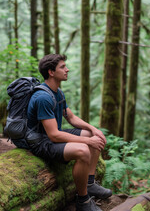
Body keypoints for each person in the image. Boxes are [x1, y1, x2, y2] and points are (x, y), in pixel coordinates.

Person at [26, 54, 112, 211]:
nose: (67, 69)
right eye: (62, 67)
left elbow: (70, 117)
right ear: (51, 72)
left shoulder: (57, 92)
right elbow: (54, 135)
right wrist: (88, 142)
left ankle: (90, 183)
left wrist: (94, 130)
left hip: (51, 136)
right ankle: (83, 201)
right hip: (40, 142)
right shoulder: (43, 97)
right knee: (83, 150)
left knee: (92, 136)